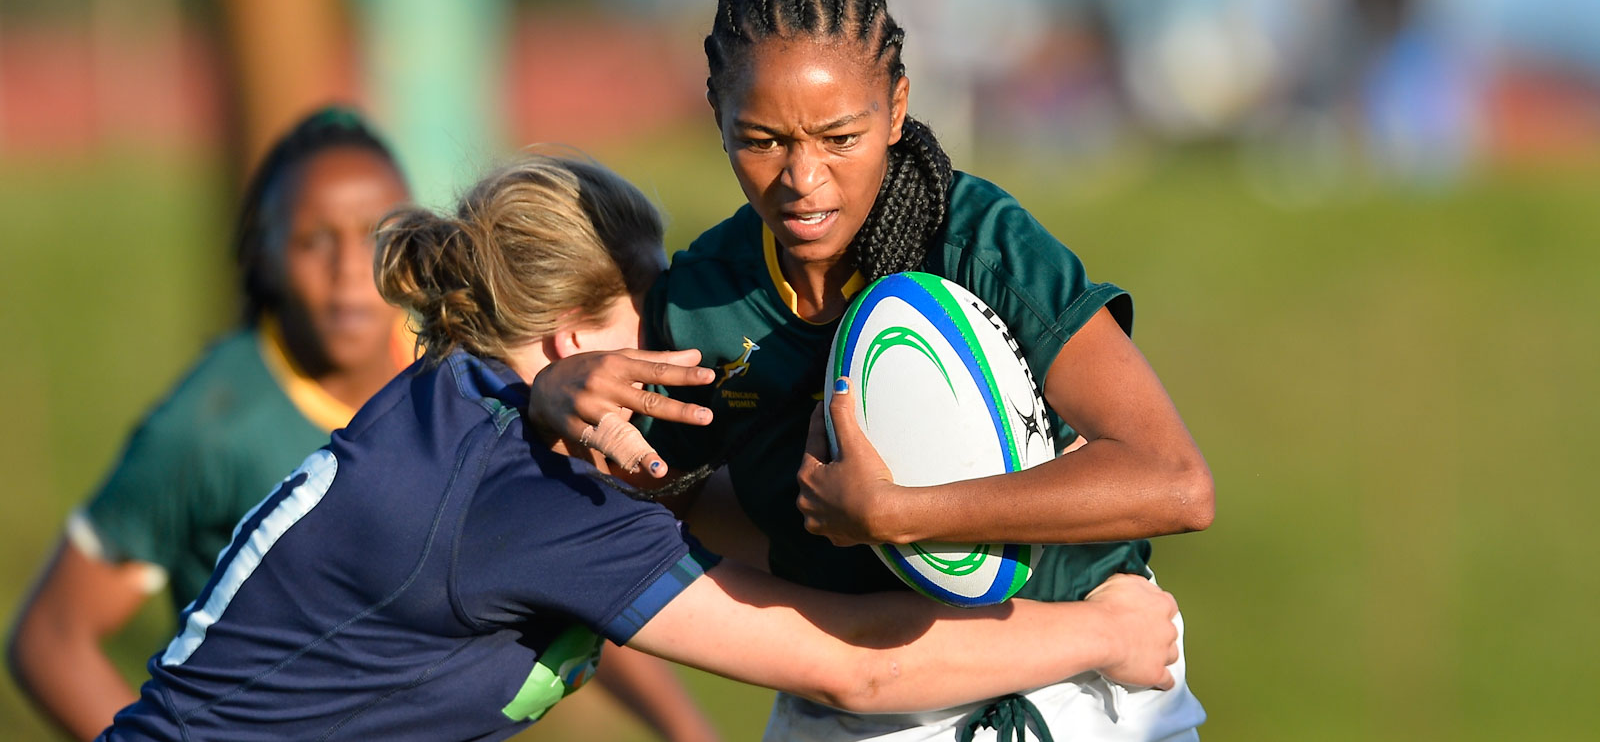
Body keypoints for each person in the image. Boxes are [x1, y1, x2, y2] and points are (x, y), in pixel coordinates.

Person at [94, 155, 1182, 741]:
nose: (680, 347)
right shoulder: (524, 490)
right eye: (651, 318)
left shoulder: (456, 407)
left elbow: (705, 523)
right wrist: (1095, 630)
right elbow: (849, 667)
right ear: (571, 341)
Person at [527, 0, 1216, 741]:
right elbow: (656, 487)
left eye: (840, 136)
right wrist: (558, 408)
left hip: (1086, 693)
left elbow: (1174, 482)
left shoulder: (978, 240)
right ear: (716, 114)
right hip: (851, 711)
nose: (803, 178)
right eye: (762, 139)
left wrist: (899, 514)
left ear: (896, 110)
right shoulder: (701, 298)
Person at [6, 110, 714, 742]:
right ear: (265, 253)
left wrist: (683, 724)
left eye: (371, 233)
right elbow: (51, 634)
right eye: (316, 239)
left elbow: (575, 564)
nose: (350, 269)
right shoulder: (213, 422)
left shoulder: (465, 382)